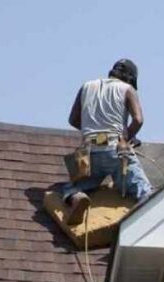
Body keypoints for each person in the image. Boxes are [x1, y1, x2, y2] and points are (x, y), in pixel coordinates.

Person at [59, 59, 152, 223]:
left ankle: (76, 197)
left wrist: (92, 132)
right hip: (114, 149)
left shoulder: (86, 86)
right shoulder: (127, 89)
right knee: (145, 193)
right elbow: (138, 120)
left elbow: (73, 119)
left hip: (88, 153)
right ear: (130, 78)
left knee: (70, 188)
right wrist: (125, 138)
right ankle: (131, 225)